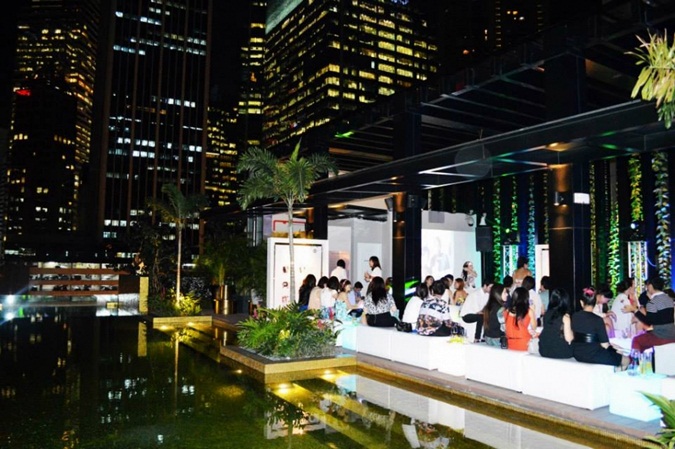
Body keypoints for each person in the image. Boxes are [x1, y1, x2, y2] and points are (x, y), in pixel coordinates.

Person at [572, 287, 627, 368]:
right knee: (626, 360)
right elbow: (605, 345)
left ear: (581, 302)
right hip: (594, 355)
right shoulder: (598, 320)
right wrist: (616, 350)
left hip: (578, 354)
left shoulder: (574, 316)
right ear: (595, 303)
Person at [625, 276, 675, 352]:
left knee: (636, 340)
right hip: (672, 334)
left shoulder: (652, 302)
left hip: (660, 336)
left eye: (647, 286)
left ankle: (636, 359)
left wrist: (635, 310)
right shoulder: (669, 299)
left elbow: (648, 322)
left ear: (651, 286)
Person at [538, 289, 574, 359]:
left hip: (544, 350)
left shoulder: (546, 314)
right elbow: (569, 338)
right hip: (560, 352)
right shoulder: (565, 317)